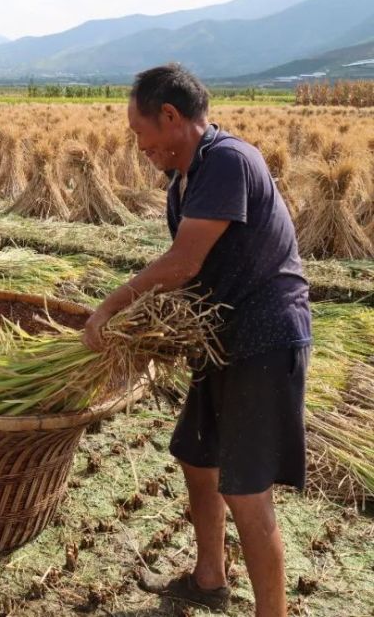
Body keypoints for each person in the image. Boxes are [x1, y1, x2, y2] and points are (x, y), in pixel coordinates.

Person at [83, 65, 311, 617]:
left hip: (263, 338)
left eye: (141, 133)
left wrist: (111, 308)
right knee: (196, 456)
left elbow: (183, 263)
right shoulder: (186, 177)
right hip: (220, 340)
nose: (140, 147)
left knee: (246, 491)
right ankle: (210, 578)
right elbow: (198, 270)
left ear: (170, 115)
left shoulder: (228, 161)